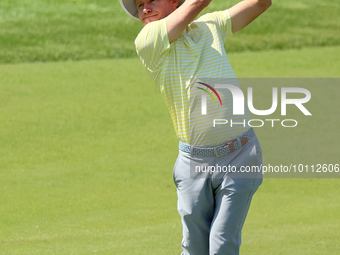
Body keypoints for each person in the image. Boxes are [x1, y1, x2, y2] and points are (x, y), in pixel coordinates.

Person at [119, 0, 271, 254]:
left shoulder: (210, 25)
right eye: (140, 4)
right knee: (194, 248)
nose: (144, 8)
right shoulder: (148, 39)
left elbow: (260, 3)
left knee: (222, 244)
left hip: (240, 154)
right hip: (193, 163)